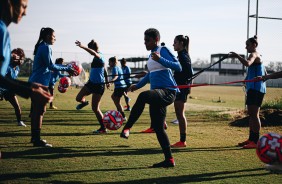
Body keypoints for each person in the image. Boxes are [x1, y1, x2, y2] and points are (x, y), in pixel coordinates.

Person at [120, 28, 182, 167]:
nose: (145, 43)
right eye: (144, 40)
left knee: (143, 97)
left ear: (156, 40)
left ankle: (127, 128)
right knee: (159, 128)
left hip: (167, 92)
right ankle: (169, 160)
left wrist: (161, 59)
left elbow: (178, 67)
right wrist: (137, 85)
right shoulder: (150, 56)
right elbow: (150, 75)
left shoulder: (162, 50)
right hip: (157, 94)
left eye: (147, 40)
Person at [0, 0, 53, 147]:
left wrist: (31, 87)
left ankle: (35, 137)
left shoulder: (4, 31)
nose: (26, 12)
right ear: (9, 3)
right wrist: (29, 90)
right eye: (23, 6)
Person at [28, 27, 74, 147]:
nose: (55, 38)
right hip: (40, 83)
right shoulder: (46, 47)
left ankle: (34, 138)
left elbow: (48, 66)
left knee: (36, 111)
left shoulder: (41, 46)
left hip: (36, 81)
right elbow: (51, 66)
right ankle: (36, 139)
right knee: (40, 111)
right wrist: (67, 68)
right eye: (54, 36)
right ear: (48, 36)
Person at [229, 35, 266, 149]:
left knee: (254, 115)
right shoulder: (259, 56)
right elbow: (261, 71)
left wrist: (236, 56)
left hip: (256, 89)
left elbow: (247, 63)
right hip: (254, 88)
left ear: (254, 45)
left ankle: (255, 141)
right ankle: (251, 139)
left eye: (247, 45)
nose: (246, 47)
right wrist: (247, 78)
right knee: (251, 115)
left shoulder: (254, 54)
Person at [75, 40, 109, 134]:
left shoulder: (99, 55)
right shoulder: (96, 58)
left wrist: (82, 46)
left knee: (95, 108)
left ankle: (103, 128)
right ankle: (84, 102)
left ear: (93, 48)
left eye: (90, 49)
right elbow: (104, 70)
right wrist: (107, 81)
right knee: (78, 98)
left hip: (98, 85)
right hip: (91, 83)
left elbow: (94, 53)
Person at [170, 35, 194, 148]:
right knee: (179, 114)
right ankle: (182, 140)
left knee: (180, 114)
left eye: (175, 42)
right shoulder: (181, 55)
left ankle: (182, 141)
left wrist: (182, 82)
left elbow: (189, 73)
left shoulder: (183, 56)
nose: (173, 44)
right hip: (179, 87)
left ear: (181, 43)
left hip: (182, 88)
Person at [1, 48, 27, 127]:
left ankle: (19, 121)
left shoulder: (17, 69)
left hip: (9, 90)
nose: (20, 60)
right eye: (18, 58)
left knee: (17, 106)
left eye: (22, 58)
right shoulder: (7, 66)